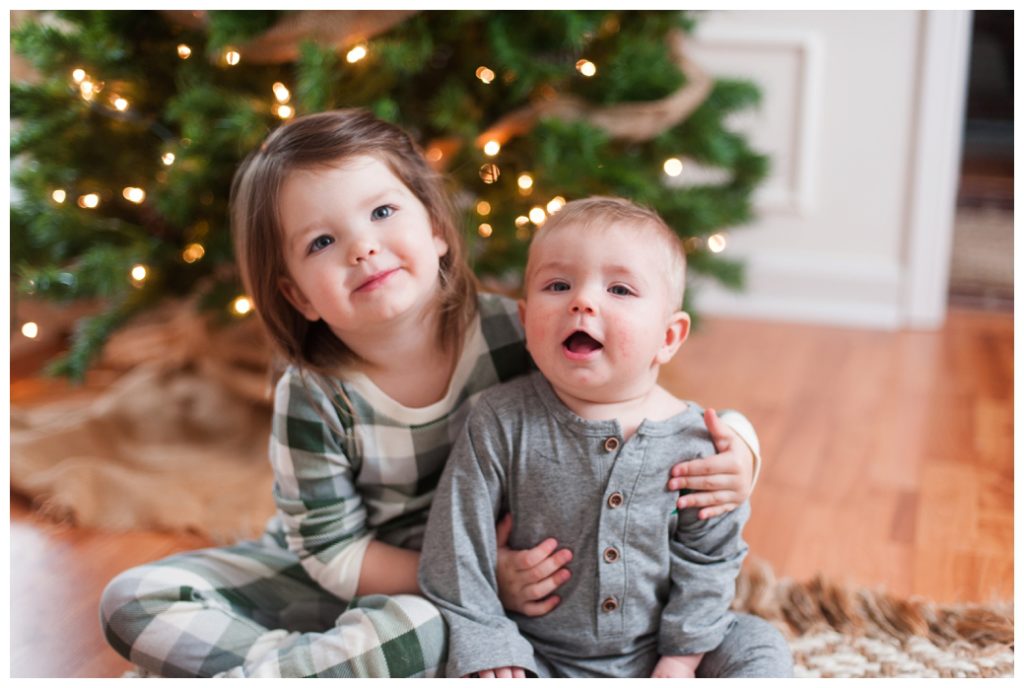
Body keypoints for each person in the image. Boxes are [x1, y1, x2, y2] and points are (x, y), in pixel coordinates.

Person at [99, 110, 762, 678]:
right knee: (134, 599)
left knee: (417, 630)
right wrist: (481, 578)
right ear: (298, 295)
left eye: (383, 212)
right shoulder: (314, 396)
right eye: (323, 242)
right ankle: (319, 666)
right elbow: (331, 552)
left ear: (438, 230)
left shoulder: (519, 330)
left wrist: (743, 452)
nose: (363, 248)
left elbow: (641, 400)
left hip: (453, 606)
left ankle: (336, 665)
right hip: (371, 581)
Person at [419, 197, 793, 678]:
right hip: (536, 652)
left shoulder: (698, 445)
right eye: (558, 285)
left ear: (669, 337)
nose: (583, 301)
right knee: (446, 657)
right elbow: (454, 548)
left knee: (760, 646)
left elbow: (710, 558)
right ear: (525, 320)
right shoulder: (499, 421)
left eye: (619, 289)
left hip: (663, 652)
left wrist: (680, 660)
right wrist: (490, 643)